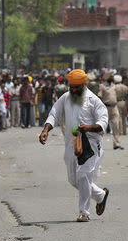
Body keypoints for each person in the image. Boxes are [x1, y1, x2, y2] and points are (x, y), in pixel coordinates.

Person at [39, 69, 109, 222]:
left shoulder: (94, 100)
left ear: (84, 85)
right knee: (73, 179)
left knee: (83, 175)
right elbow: (54, 114)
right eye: (71, 86)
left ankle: (84, 212)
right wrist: (46, 130)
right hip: (71, 144)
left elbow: (103, 121)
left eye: (76, 87)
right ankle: (100, 195)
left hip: (90, 144)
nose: (73, 90)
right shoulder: (65, 98)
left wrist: (89, 127)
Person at [98, 73, 123, 150]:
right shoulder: (102, 86)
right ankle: (98, 144)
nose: (112, 77)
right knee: (102, 127)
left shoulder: (114, 85)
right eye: (110, 76)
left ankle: (117, 144)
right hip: (105, 107)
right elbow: (99, 97)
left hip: (114, 107)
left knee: (116, 126)